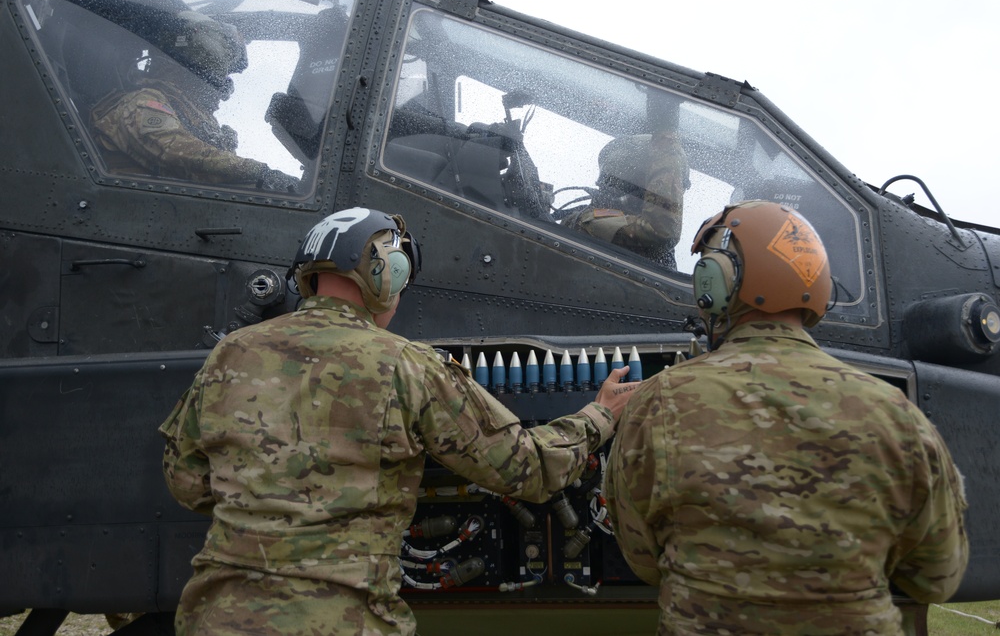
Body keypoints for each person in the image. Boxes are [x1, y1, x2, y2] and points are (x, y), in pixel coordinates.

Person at [158, 207, 638, 636]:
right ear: (383, 274)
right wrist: (599, 416)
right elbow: (527, 470)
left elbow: (186, 481)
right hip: (341, 620)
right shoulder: (405, 364)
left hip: (215, 615)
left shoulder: (231, 352)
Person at [603, 200, 969, 635]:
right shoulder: (894, 413)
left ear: (717, 283)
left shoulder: (655, 404)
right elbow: (937, 577)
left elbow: (643, 560)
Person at [90, 10, 298, 191]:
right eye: (220, 80)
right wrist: (260, 172)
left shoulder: (197, 116)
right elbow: (174, 151)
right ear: (197, 76)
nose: (224, 90)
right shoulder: (144, 101)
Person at [561, 130, 690, 268]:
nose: (673, 192)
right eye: (666, 182)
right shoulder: (587, 222)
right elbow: (660, 230)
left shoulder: (609, 223)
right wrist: (665, 151)